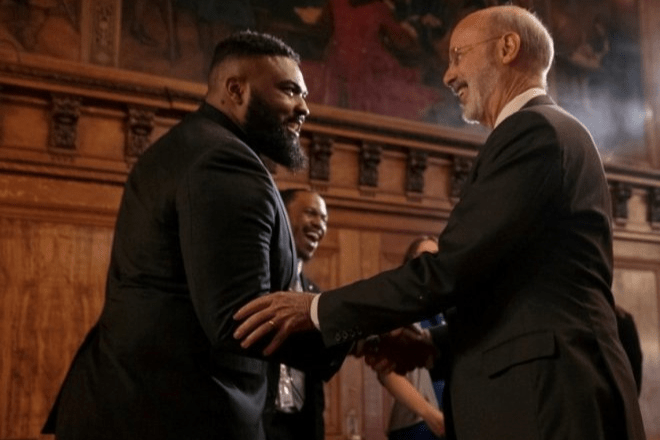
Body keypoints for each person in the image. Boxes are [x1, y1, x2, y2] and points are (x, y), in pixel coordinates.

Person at [234, 5, 646, 440]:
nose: (447, 76)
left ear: (508, 47)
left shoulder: (534, 131)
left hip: (550, 400)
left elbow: (450, 269)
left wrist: (317, 309)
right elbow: (512, 291)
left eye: (458, 55)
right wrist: (433, 346)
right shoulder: (542, 132)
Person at [42, 30, 348, 440]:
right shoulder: (224, 160)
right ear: (235, 89)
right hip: (173, 414)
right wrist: (351, 327)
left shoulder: (182, 147)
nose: (304, 108)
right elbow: (238, 318)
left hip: (131, 403)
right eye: (290, 90)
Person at [264, 188, 329, 440]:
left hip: (302, 429)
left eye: (325, 219)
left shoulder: (315, 296)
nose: (319, 225)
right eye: (311, 213)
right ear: (281, 213)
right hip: (259, 425)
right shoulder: (259, 283)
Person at [379, 236, 445, 440]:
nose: (430, 264)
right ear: (409, 265)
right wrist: (430, 414)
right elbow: (387, 371)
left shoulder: (451, 309)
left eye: (436, 258)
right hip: (416, 425)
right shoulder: (398, 309)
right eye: (423, 257)